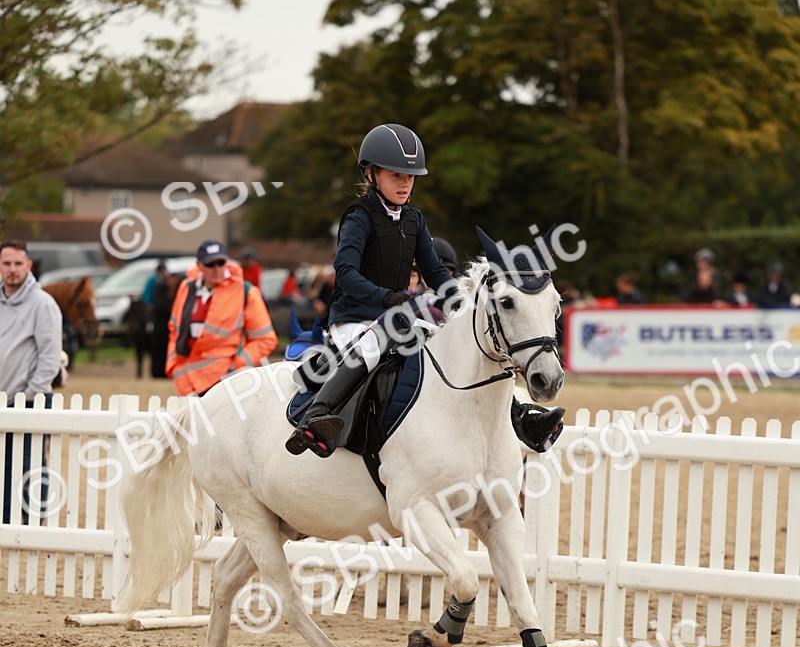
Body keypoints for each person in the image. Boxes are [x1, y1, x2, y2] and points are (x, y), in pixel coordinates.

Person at [285, 122, 564, 458]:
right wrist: (386, 298)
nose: (405, 184)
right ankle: (317, 416)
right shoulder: (358, 217)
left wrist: (461, 303)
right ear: (372, 174)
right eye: (396, 175)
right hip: (354, 319)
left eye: (410, 176)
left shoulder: (414, 220)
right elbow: (345, 274)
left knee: (459, 348)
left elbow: (433, 270)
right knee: (378, 339)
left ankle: (522, 418)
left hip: (397, 315)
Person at [0, 240, 62, 523]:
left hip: (30, 399)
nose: (12, 270)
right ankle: (6, 520)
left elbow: (50, 357)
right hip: (2, 401)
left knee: (30, 464)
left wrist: (30, 395)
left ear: (28, 266)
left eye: (17, 264)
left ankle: (32, 523)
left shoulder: (43, 304)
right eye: (6, 264)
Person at [166, 239, 278, 397]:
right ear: (199, 266)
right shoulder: (186, 288)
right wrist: (175, 366)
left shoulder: (246, 291)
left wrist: (236, 365)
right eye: (210, 264)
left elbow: (266, 340)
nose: (217, 269)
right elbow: (174, 331)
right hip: (188, 381)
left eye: (221, 263)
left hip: (226, 381)